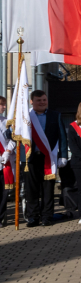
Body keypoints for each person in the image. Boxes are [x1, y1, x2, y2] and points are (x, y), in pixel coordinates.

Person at [24, 90, 65, 227]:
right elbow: (14, 135)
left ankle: (47, 216)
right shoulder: (25, 116)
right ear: (31, 102)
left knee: (48, 188)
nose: (42, 102)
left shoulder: (56, 115)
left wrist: (63, 156)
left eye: (44, 100)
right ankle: (33, 217)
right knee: (31, 189)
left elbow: (62, 137)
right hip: (30, 158)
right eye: (38, 100)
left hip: (49, 157)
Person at [0, 96, 14, 226]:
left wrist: (8, 151)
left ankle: (1, 217)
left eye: (4, 105)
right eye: (1, 105)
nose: (4, 107)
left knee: (4, 191)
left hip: (4, 161)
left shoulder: (6, 122)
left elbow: (12, 139)